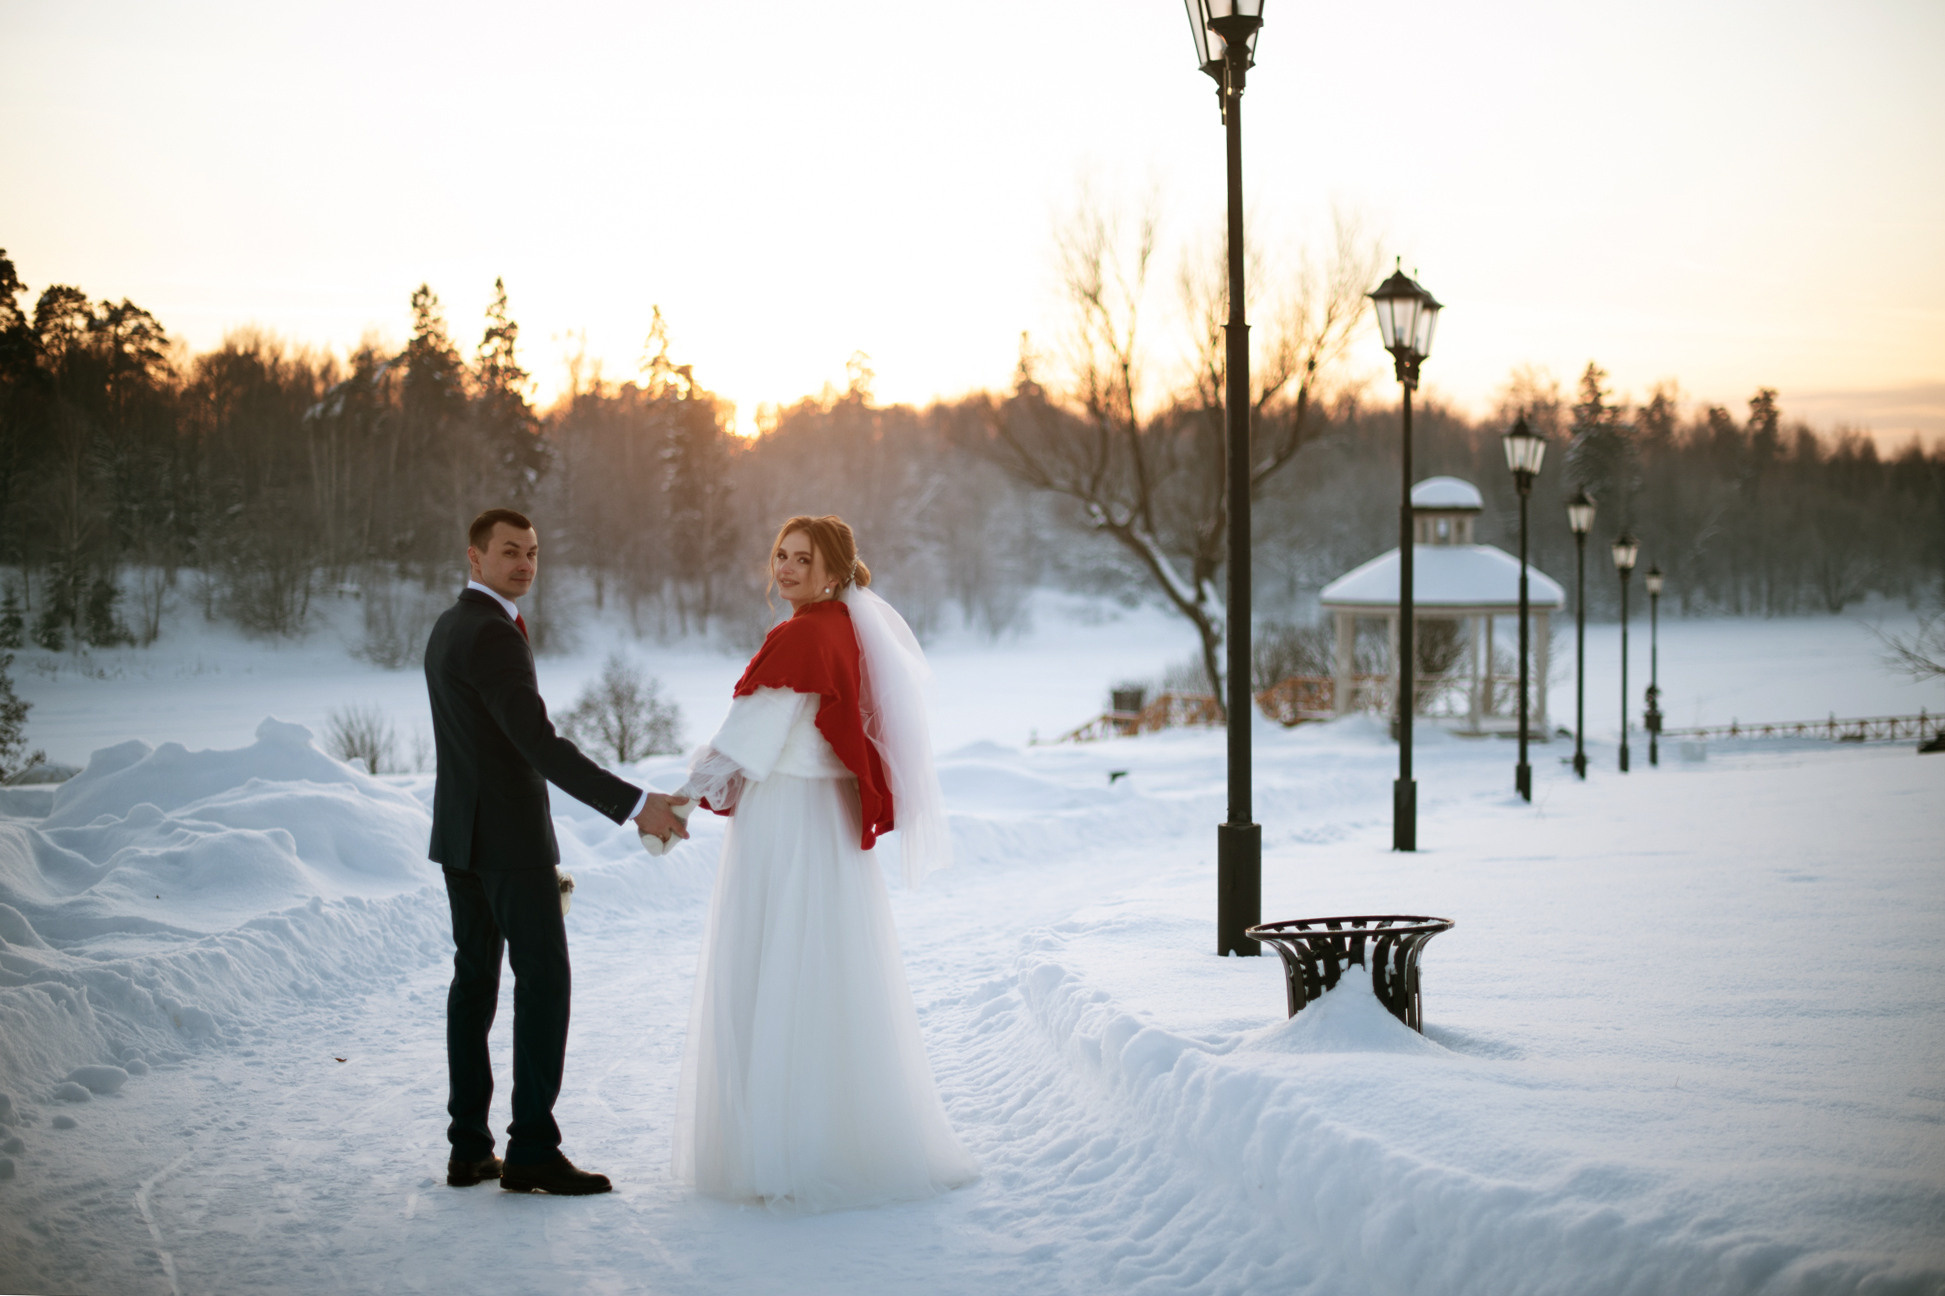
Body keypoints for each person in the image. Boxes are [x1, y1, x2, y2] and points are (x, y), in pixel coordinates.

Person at [671, 514, 979, 1211]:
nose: (783, 569)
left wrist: (679, 800)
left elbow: (749, 737)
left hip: (788, 819)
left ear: (832, 572)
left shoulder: (804, 634)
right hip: (825, 823)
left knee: (777, 962)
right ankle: (839, 1134)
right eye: (778, 554)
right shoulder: (844, 626)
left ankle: (783, 1150)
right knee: (825, 969)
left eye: (800, 560)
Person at [424, 507, 690, 1195]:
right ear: (473, 557)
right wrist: (635, 805)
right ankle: (532, 1149)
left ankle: (468, 1149)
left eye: (534, 553)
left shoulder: (452, 625)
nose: (525, 564)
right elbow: (537, 745)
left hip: (461, 834)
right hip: (507, 842)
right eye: (509, 551)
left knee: (474, 984)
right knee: (543, 982)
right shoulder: (489, 633)